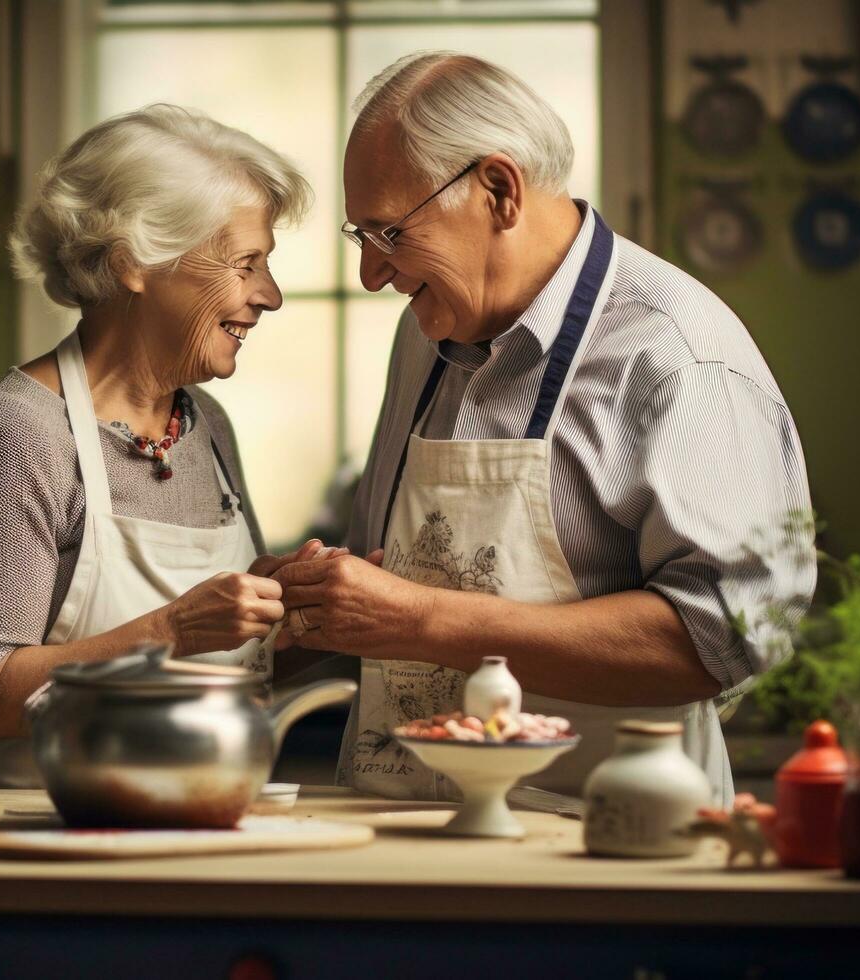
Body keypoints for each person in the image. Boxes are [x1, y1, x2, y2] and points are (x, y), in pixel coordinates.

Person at [268, 53, 815, 804]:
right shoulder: (423, 333)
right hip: (399, 830)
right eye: (357, 235)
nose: (371, 273)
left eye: (389, 232)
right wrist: (318, 596)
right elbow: (395, 571)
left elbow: (720, 637)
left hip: (603, 843)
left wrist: (423, 620)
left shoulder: (675, 357)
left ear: (498, 190)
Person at [0, 104, 322, 787]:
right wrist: (172, 630)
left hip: (196, 823)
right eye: (245, 264)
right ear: (134, 263)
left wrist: (296, 614)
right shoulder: (19, 438)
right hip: (46, 841)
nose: (270, 296)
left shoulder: (206, 425)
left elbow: (222, 669)